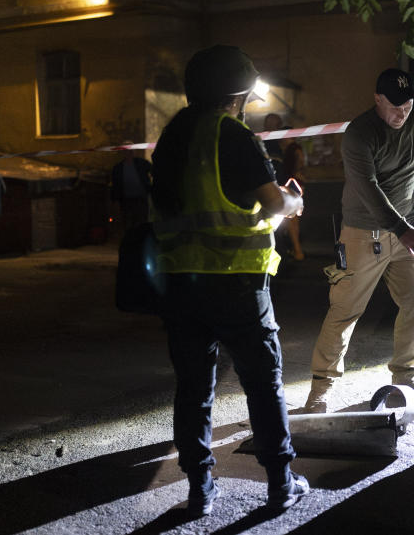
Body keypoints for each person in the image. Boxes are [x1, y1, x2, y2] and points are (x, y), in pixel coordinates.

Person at [149, 45, 309, 516]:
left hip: (180, 283)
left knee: (194, 387)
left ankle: (200, 489)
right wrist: (292, 203)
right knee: (262, 382)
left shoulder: (172, 137)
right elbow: (273, 204)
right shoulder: (234, 135)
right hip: (237, 284)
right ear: (237, 94)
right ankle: (280, 482)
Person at [303, 68, 414, 413]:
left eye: (406, 106)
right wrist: (402, 228)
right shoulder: (360, 133)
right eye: (394, 106)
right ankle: (321, 388)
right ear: (377, 99)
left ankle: (405, 377)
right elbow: (368, 189)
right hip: (364, 233)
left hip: (405, 232)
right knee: (345, 310)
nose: (401, 113)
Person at [109, 143, 153, 231]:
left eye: (130, 151)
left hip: (141, 198)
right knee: (128, 224)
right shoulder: (118, 168)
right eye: (126, 151)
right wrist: (115, 201)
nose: (129, 153)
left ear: (134, 152)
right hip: (126, 200)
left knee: (142, 222)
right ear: (124, 153)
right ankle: (131, 241)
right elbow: (115, 185)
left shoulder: (141, 163)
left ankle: (141, 241)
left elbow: (154, 170)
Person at [282, 141, 307, 260]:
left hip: (295, 207)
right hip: (289, 209)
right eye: (298, 156)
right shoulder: (291, 177)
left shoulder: (299, 175)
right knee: (292, 219)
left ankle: (296, 250)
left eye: (302, 155)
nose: (301, 159)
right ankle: (297, 250)